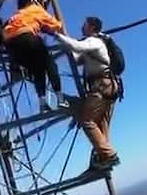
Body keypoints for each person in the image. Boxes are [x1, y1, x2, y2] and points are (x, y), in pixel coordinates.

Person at [48, 16, 121, 171]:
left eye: (84, 24)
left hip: (101, 86)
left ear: (92, 27)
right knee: (101, 125)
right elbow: (76, 58)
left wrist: (56, 34)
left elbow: (77, 47)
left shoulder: (94, 41)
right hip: (110, 87)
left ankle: (109, 155)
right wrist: (65, 45)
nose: (82, 27)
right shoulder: (93, 45)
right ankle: (103, 159)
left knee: (87, 121)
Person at [3, 0, 67, 112]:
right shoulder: (33, 9)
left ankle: (42, 103)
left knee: (38, 70)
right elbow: (56, 25)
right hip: (27, 37)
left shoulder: (14, 17)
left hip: (12, 48)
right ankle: (61, 99)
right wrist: (56, 23)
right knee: (50, 64)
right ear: (30, 3)